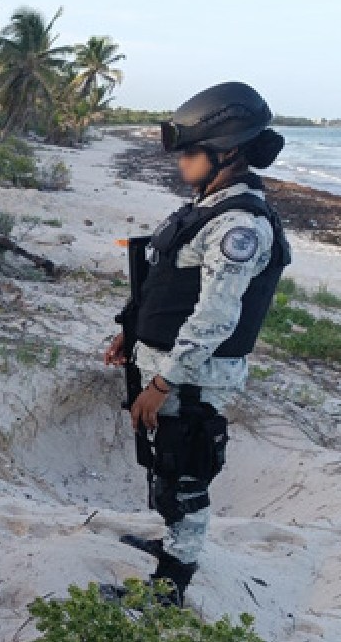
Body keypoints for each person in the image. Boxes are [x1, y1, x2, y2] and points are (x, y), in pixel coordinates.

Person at [103, 81, 291, 606]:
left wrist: (161, 384)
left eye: (190, 152)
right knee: (166, 469)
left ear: (226, 152)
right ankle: (172, 547)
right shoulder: (204, 207)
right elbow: (165, 280)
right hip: (167, 365)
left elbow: (214, 318)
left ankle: (170, 588)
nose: (181, 162)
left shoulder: (239, 223)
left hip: (192, 376)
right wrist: (130, 332)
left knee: (185, 477)